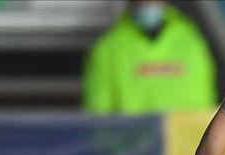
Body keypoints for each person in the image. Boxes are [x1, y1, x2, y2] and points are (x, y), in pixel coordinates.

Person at [83, 0, 217, 113]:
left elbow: (206, 101)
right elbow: (97, 115)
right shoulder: (107, 49)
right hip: (133, 142)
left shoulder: (191, 40)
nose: (148, 4)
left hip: (186, 141)